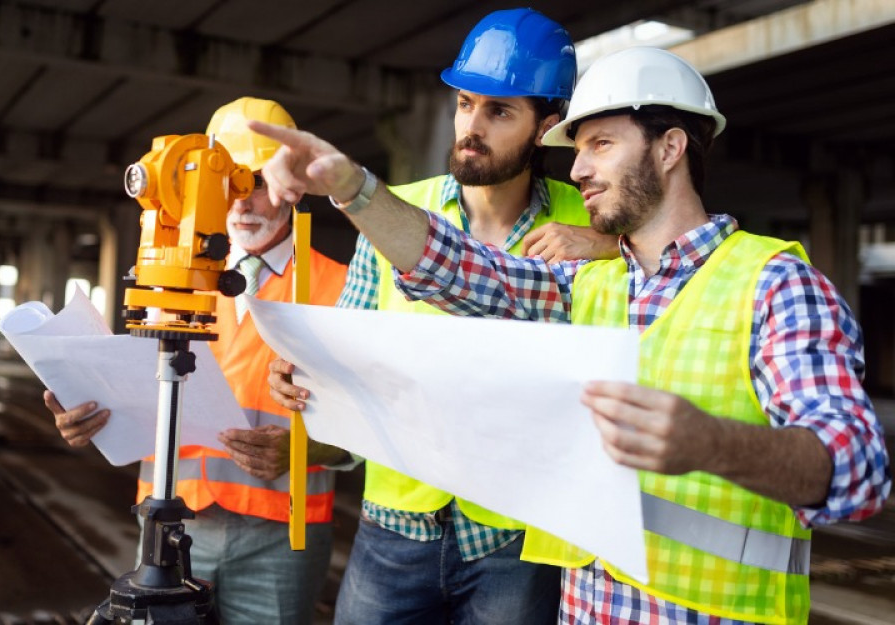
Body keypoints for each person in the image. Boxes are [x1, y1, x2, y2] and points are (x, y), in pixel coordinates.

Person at [254, 46, 891, 624]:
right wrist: (352, 189)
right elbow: (455, 267)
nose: (577, 167)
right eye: (577, 147)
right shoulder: (586, 287)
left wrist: (711, 443)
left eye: (602, 145)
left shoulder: (774, 283)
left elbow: (860, 470)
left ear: (670, 148)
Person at [271, 8, 617, 625]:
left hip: (518, 537)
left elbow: (680, 258)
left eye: (500, 110)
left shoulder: (592, 220)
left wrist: (611, 244)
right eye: (465, 103)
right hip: (393, 529)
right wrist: (311, 383)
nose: (471, 126)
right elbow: (350, 360)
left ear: (548, 126)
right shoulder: (397, 215)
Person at [45, 97, 350, 624]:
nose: (239, 203)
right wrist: (88, 414)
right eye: (224, 184)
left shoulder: (341, 287)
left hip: (283, 534)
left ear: (292, 183)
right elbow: (143, 396)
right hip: (168, 524)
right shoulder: (168, 277)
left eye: (252, 181)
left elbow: (380, 427)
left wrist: (305, 450)